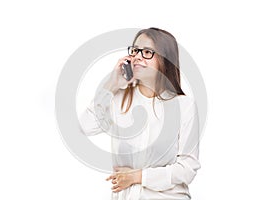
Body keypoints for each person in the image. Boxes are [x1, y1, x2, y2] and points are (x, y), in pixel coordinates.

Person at [79, 27, 200, 200]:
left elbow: (187, 168)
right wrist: (111, 86)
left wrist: (137, 177)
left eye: (147, 52)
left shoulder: (184, 106)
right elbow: (84, 127)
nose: (137, 56)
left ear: (166, 60)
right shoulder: (117, 98)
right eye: (135, 50)